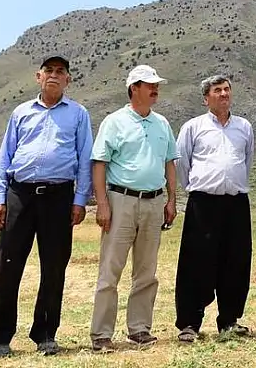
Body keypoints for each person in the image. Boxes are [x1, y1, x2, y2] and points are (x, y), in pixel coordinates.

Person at [0, 55, 93, 358]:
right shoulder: (21, 112)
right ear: (38, 76)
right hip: (19, 194)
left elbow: (84, 158)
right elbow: (5, 156)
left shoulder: (78, 114)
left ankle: (45, 333)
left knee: (54, 266)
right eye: (49, 71)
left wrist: (80, 199)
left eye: (61, 72)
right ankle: (0, 337)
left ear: (68, 79)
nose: (54, 76)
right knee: (6, 265)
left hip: (59, 197)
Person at [88, 64, 178, 353]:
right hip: (121, 201)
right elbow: (99, 163)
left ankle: (139, 329)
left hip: (154, 202)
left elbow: (169, 163)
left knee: (147, 270)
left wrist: (172, 199)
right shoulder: (114, 122)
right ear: (133, 88)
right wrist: (102, 204)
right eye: (149, 84)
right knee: (110, 269)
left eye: (156, 85)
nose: (155, 89)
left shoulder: (162, 123)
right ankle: (101, 334)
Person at [174, 74, 256, 342]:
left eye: (227, 89)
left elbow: (247, 161)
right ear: (205, 97)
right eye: (217, 90)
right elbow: (181, 165)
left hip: (235, 202)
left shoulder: (244, 127)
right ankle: (189, 323)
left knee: (236, 261)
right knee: (196, 262)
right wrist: (198, 187)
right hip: (203, 203)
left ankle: (229, 321)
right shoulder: (193, 127)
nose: (223, 94)